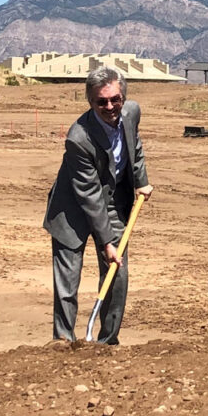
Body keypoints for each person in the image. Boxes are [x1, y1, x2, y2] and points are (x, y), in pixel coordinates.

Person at [45, 68, 152, 344]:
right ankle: (63, 341)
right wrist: (107, 243)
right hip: (71, 209)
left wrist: (141, 180)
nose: (109, 106)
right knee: (67, 281)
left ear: (123, 97)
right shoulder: (78, 137)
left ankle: (108, 341)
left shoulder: (131, 112)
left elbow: (134, 147)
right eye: (101, 101)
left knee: (117, 273)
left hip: (113, 202)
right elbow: (89, 195)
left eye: (115, 99)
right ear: (90, 101)